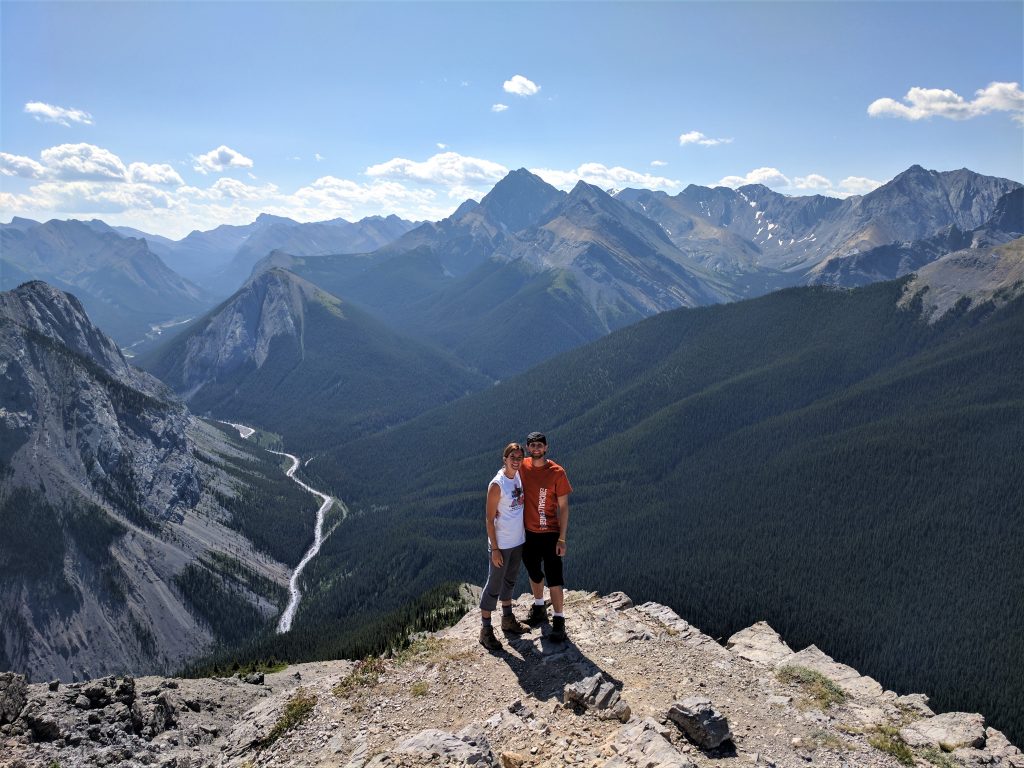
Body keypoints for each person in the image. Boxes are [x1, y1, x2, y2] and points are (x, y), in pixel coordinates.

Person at [518, 431, 573, 642]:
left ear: (546, 447)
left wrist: (562, 538)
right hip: (528, 533)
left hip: (550, 533)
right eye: (532, 446)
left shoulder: (557, 472)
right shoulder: (522, 465)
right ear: (528, 448)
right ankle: (539, 606)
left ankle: (559, 621)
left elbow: (564, 508)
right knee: (533, 571)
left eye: (539, 445)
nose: (536, 449)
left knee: (554, 576)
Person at [479, 442, 531, 651]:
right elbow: (489, 519)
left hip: (518, 540)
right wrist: (495, 549)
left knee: (509, 582)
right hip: (501, 544)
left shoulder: (518, 475)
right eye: (513, 458)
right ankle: (485, 630)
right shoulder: (497, 484)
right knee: (494, 585)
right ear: (505, 459)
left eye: (519, 457)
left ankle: (507, 619)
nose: (517, 461)